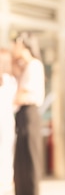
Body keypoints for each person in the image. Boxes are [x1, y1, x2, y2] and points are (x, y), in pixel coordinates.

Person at [12, 32, 45, 195]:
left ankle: (31, 191)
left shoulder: (34, 65)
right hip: (22, 114)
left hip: (29, 112)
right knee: (21, 157)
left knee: (31, 157)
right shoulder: (25, 66)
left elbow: (22, 94)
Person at [0, 48, 17, 195]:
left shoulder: (11, 80)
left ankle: (5, 182)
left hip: (6, 120)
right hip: (5, 119)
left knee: (6, 151)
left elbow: (16, 103)